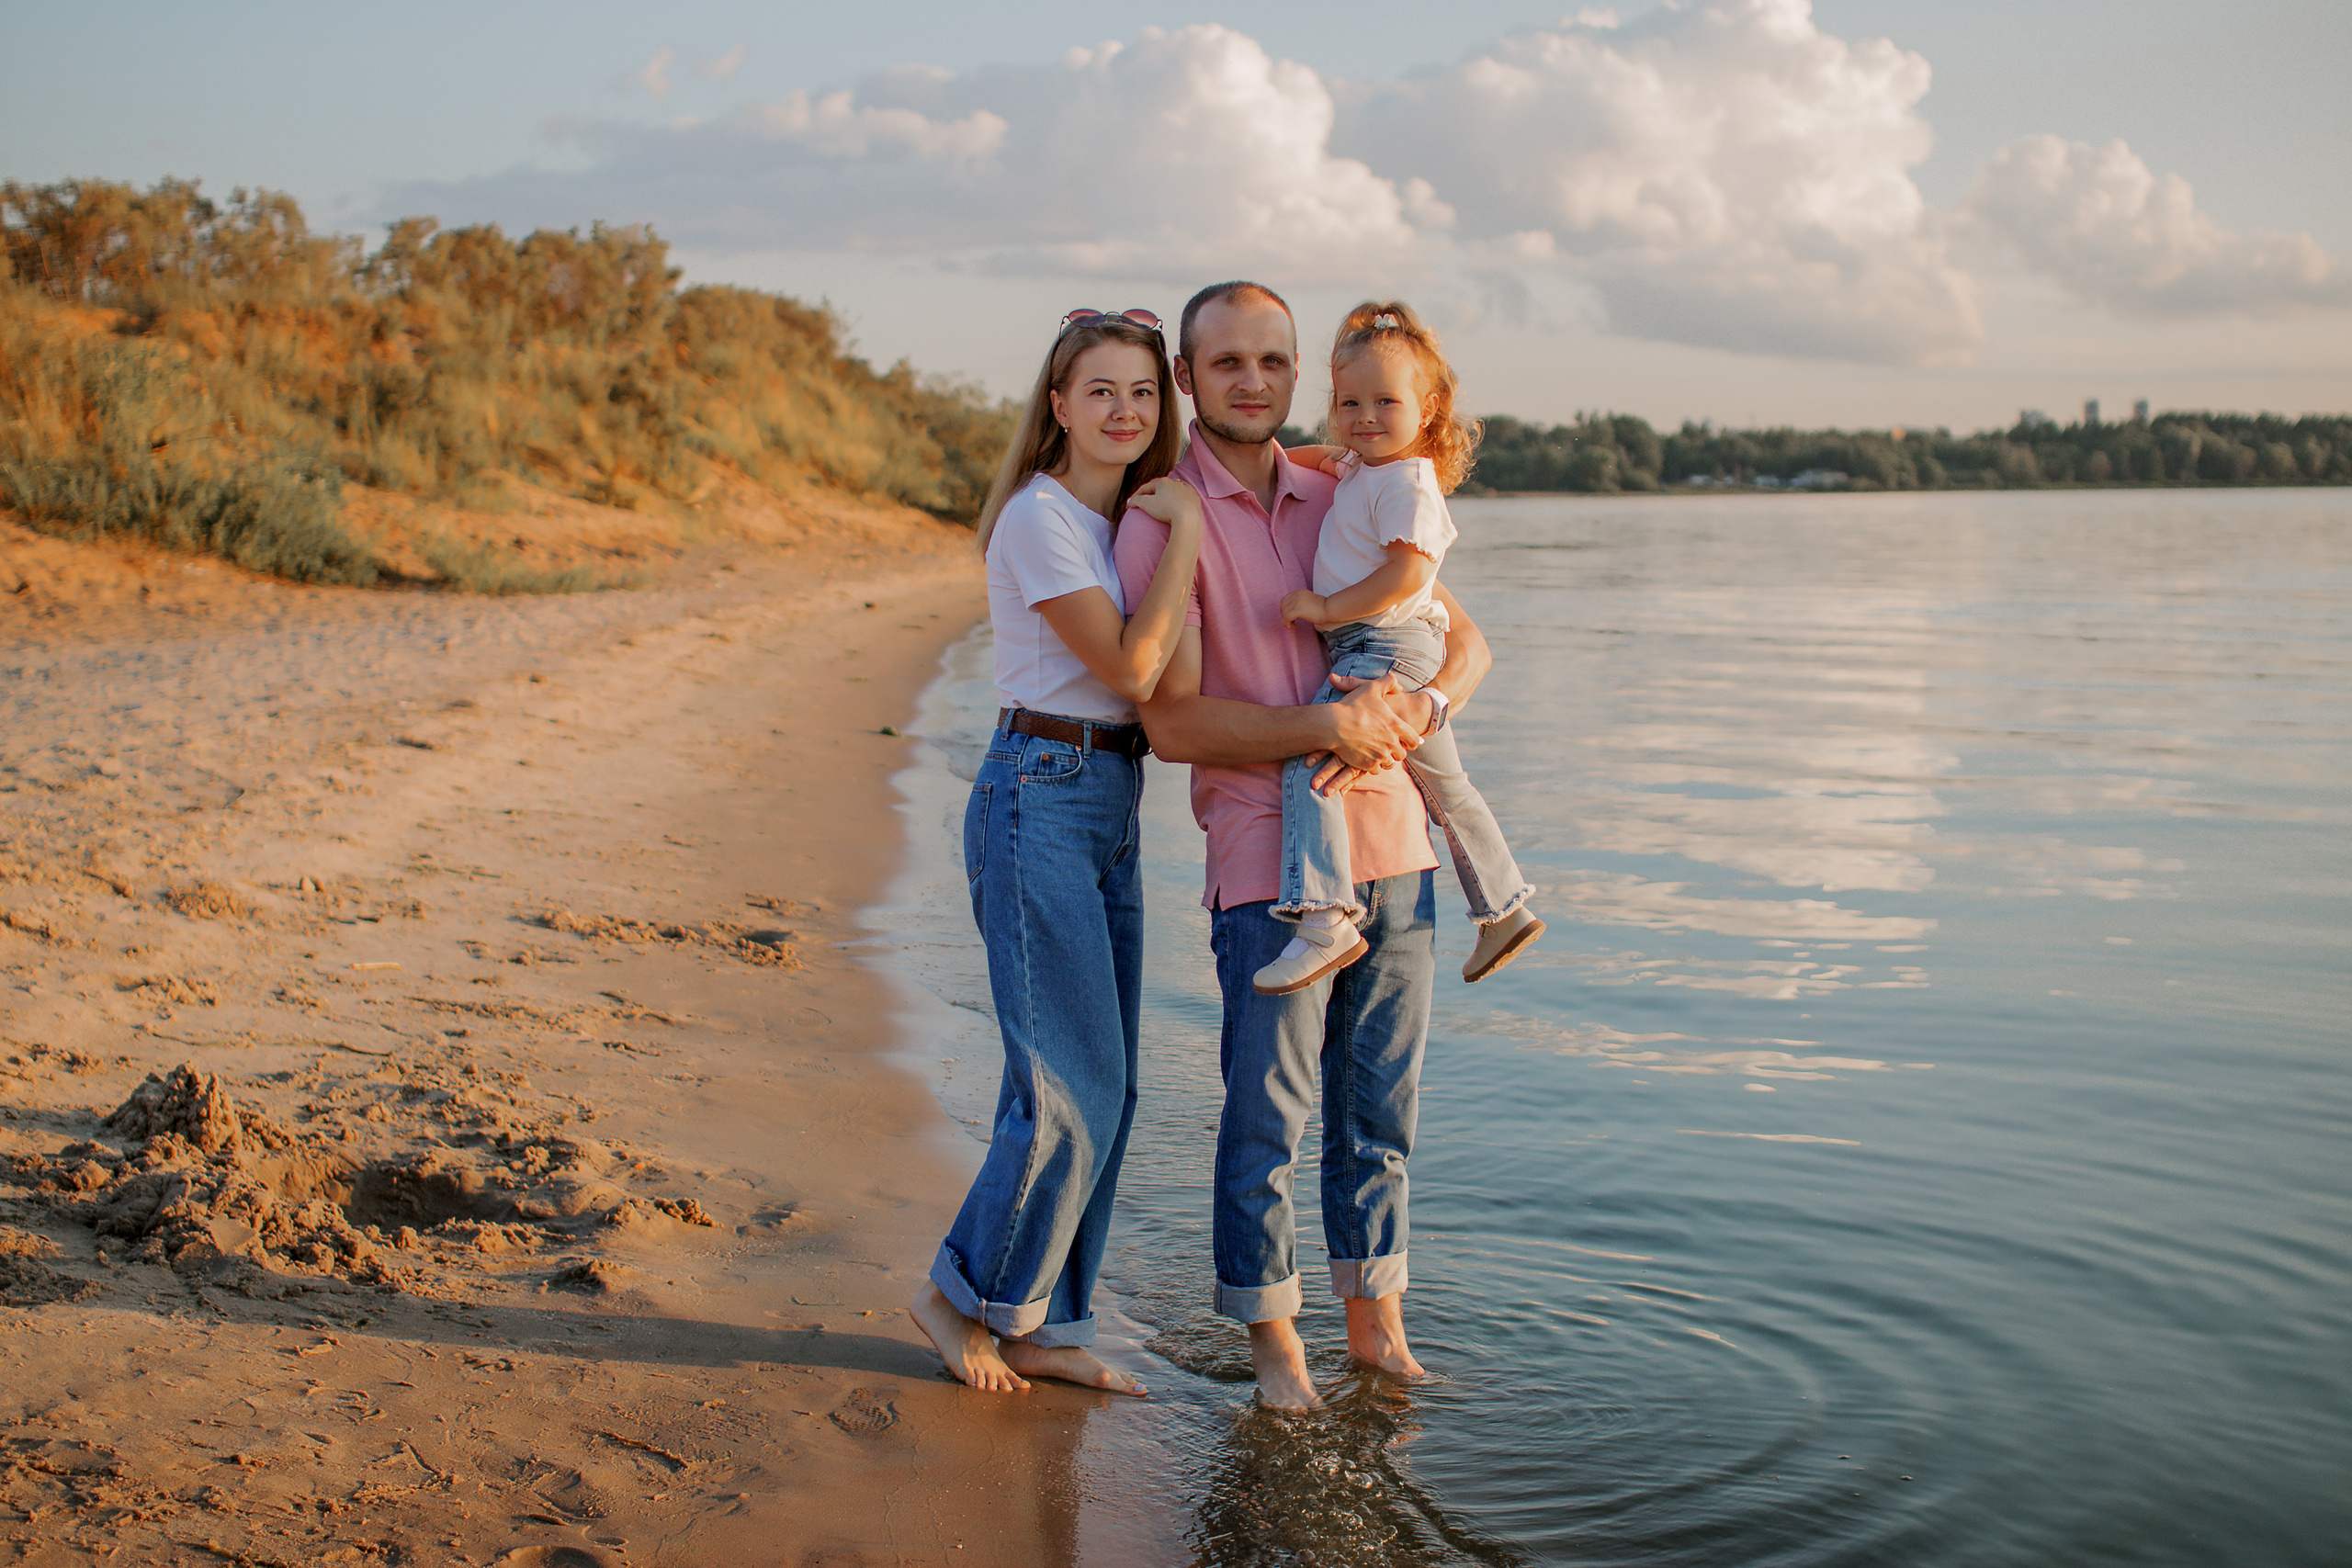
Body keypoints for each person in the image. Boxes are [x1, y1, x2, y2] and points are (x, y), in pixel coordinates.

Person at [1113, 281, 1494, 1410]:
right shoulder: (1160, 519)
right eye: (1226, 363)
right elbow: (1171, 723)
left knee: (1380, 1120)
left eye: (1272, 362)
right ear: (1188, 379)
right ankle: (1275, 1347)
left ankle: (1376, 1330)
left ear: (1297, 375)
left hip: (1397, 854)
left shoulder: (1347, 481)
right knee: (1265, 1120)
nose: (1253, 382)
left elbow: (1462, 642)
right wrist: (1326, 724)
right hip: (1263, 870)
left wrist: (1420, 716)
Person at [909, 308, 1206, 1396]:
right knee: (1066, 1082)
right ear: (1058, 405)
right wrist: (1191, 539)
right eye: (1101, 393)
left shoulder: (1117, 520)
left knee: (1104, 1083)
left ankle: (1038, 1320)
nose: (1125, 412)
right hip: (1038, 794)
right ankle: (954, 1299)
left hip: (1108, 796)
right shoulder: (1042, 520)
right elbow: (1134, 668)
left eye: (1141, 394)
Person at [1252, 301, 1543, 997]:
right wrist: (1258, 463)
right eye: (1349, 401)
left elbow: (1409, 574)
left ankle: (1326, 917)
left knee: (1313, 765)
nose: (1365, 416)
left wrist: (1323, 609)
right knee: (1447, 784)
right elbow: (1310, 456)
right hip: (1397, 645)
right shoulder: (1363, 468)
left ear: (1430, 408)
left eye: (1386, 401)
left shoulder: (1409, 481)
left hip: (1381, 645)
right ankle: (1503, 908)